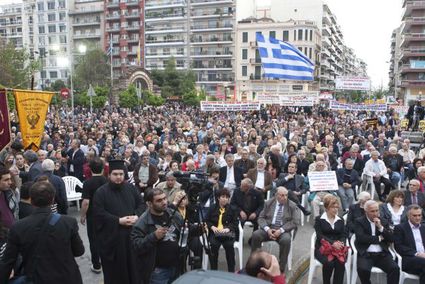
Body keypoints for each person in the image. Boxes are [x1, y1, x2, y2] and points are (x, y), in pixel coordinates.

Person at [0, 181, 85, 283]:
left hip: (37, 278)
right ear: (52, 199)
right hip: (67, 277)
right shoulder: (68, 222)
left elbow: (8, 261)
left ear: (31, 200)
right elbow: (79, 251)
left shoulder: (17, 227)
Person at [93, 160, 145, 284]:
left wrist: (136, 216)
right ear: (109, 175)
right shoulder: (101, 192)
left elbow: (141, 205)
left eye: (121, 174)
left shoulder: (131, 188)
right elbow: (98, 213)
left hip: (132, 238)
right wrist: (118, 221)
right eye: (115, 174)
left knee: (134, 270)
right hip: (113, 241)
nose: (118, 177)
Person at [131, 188, 183, 283]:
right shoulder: (142, 222)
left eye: (164, 198)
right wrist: (154, 236)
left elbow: (184, 228)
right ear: (149, 204)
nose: (164, 202)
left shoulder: (172, 213)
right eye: (159, 200)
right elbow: (136, 246)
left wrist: (198, 229)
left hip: (176, 266)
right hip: (157, 272)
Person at [251, 187, 300, 272]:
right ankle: (255, 264)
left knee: (286, 240)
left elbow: (295, 221)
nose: (285, 197)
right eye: (282, 195)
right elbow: (261, 218)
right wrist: (267, 229)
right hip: (269, 228)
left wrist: (280, 230)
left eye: (286, 195)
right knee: (256, 235)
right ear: (276, 195)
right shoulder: (269, 203)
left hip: (283, 230)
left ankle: (280, 269)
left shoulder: (292, 205)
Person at [353, 200, 400, 284]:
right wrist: (378, 238)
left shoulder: (383, 221)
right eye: (372, 211)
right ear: (366, 211)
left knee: (395, 268)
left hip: (382, 254)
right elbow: (361, 238)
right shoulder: (359, 221)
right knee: (362, 269)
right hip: (366, 254)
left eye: (377, 210)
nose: (375, 213)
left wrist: (380, 227)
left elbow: (391, 238)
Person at [80, 157, 108, 274]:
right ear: (102, 169)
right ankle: (108, 263)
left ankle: (97, 265)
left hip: (93, 216)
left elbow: (86, 202)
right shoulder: (107, 181)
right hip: (107, 215)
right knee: (107, 238)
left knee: (94, 240)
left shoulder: (87, 183)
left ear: (90, 169)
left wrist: (82, 215)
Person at [314, 194, 347, 284]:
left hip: (338, 248)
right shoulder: (319, 219)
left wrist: (341, 243)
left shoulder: (340, 219)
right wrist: (333, 243)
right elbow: (320, 235)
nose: (336, 209)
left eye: (337, 207)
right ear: (327, 207)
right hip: (322, 248)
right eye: (333, 207)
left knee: (340, 262)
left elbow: (343, 234)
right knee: (329, 263)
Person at [206, 188, 238, 272]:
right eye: (223, 197)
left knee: (229, 246)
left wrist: (227, 229)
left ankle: (231, 270)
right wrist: (212, 227)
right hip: (215, 233)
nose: (225, 199)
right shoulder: (212, 208)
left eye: (227, 197)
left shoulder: (232, 209)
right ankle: (213, 270)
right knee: (214, 245)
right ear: (218, 198)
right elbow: (207, 220)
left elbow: (235, 222)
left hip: (227, 233)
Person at [394, 204, 425, 282]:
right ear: (408, 216)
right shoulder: (400, 228)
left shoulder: (423, 228)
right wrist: (417, 254)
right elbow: (399, 246)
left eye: (419, 215)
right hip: (408, 258)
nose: (418, 218)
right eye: (415, 215)